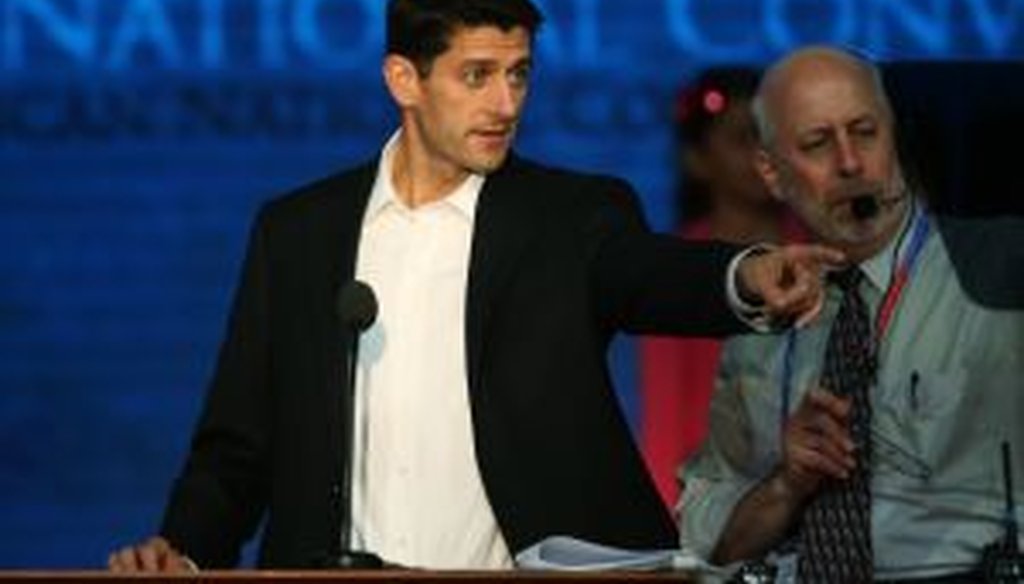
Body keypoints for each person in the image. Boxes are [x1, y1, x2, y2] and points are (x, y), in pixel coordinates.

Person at [108, 0, 839, 572]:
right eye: (477, 75)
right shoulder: (298, 234)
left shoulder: (570, 217)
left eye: (518, 73)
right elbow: (239, 444)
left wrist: (743, 275)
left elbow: (647, 273)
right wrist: (184, 550)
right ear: (404, 80)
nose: (505, 104)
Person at [680, 46, 1024, 582]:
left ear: (894, 136)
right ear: (771, 173)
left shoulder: (996, 265)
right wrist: (784, 485)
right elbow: (704, 545)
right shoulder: (764, 322)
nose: (849, 162)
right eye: (818, 143)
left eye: (865, 132)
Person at [638, 66, 807, 509]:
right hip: (712, 508)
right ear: (697, 159)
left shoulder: (820, 253)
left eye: (772, 136)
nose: (763, 153)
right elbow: (667, 409)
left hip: (818, 497)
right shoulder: (672, 265)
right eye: (742, 138)